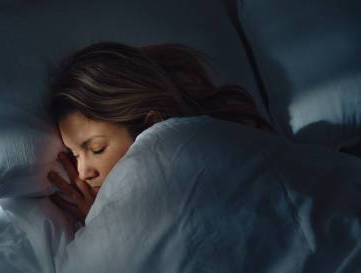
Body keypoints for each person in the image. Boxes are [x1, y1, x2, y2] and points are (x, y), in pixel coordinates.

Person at [45, 41, 273, 225]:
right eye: (74, 155)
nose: (83, 172)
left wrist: (104, 226)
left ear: (151, 126)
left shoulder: (224, 153)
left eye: (97, 149)